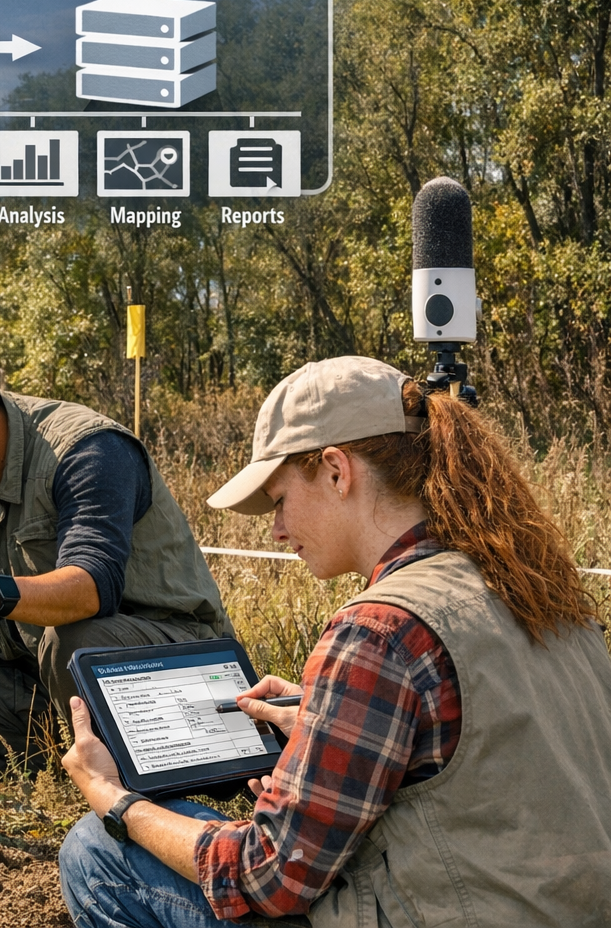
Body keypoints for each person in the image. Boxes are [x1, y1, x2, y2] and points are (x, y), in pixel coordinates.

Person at [58, 355, 611, 927]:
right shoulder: (533, 587)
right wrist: (330, 717)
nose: (274, 529)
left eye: (278, 500)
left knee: (98, 853)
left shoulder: (378, 630)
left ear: (336, 470)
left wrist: (115, 798)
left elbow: (268, 878)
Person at [0, 338, 232, 774]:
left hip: (180, 668)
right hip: (39, 668)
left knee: (73, 640)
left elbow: (94, 587)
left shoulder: (87, 449)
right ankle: (59, 757)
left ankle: (133, 778)